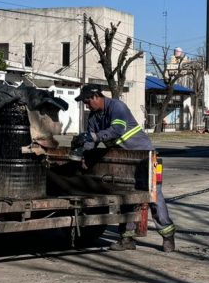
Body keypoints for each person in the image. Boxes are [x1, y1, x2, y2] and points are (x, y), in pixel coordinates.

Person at [73, 83, 177, 252]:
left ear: (96, 97)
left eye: (86, 101)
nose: (86, 105)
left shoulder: (117, 107)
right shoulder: (93, 117)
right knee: (126, 196)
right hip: (122, 159)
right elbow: (90, 141)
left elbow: (117, 130)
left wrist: (94, 136)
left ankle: (168, 235)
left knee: (154, 195)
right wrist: (84, 154)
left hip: (144, 156)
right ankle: (127, 238)